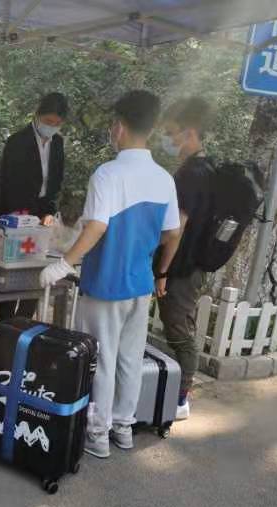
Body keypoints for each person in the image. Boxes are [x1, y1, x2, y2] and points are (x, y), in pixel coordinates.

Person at [40, 90, 182, 458]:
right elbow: (172, 233)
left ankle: (98, 435)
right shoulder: (164, 178)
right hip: (140, 284)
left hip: (105, 284)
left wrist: (64, 263)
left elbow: (97, 226)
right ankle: (123, 428)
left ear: (119, 126)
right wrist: (156, 266)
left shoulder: (108, 173)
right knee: (130, 359)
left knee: (101, 360)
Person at [156, 98, 216, 420]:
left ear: (189, 133)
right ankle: (176, 394)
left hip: (181, 269)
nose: (167, 139)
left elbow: (176, 229)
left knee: (179, 333)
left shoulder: (191, 174)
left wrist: (162, 270)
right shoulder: (207, 168)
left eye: (170, 132)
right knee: (181, 327)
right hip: (191, 267)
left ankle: (180, 400)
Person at [0, 92, 68, 323]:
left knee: (36, 275)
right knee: (13, 276)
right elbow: (8, 183)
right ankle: (5, 327)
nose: (52, 127)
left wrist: (48, 213)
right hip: (16, 216)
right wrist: (21, 218)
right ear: (37, 115)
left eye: (57, 123)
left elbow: (55, 183)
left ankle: (24, 325)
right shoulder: (17, 141)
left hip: (42, 217)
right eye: (48, 121)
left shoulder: (58, 143)